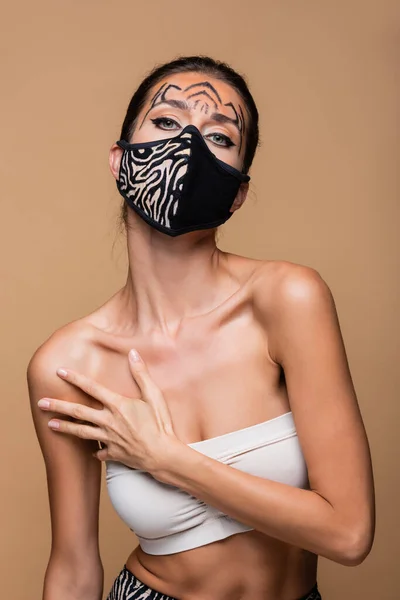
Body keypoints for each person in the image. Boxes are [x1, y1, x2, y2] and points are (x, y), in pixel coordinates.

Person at [28, 55, 375, 600]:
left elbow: (350, 534)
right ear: (121, 162)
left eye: (220, 137)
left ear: (237, 191)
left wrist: (169, 461)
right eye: (166, 122)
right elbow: (72, 566)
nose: (189, 144)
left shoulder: (285, 300)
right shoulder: (70, 365)